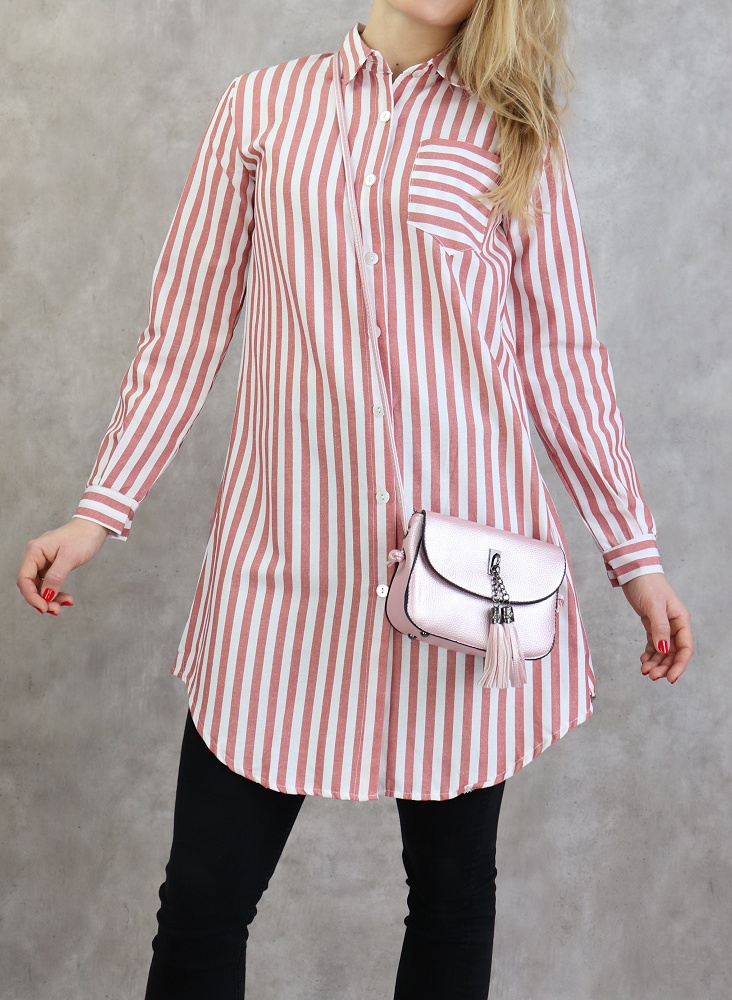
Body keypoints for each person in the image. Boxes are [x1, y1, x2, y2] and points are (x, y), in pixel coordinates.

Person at [17, 1, 694, 997]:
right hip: (284, 570)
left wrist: (634, 556)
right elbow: (185, 330)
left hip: (469, 579)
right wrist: (99, 509)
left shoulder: (516, 133)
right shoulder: (260, 109)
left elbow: (563, 359)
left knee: (452, 895)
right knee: (203, 901)